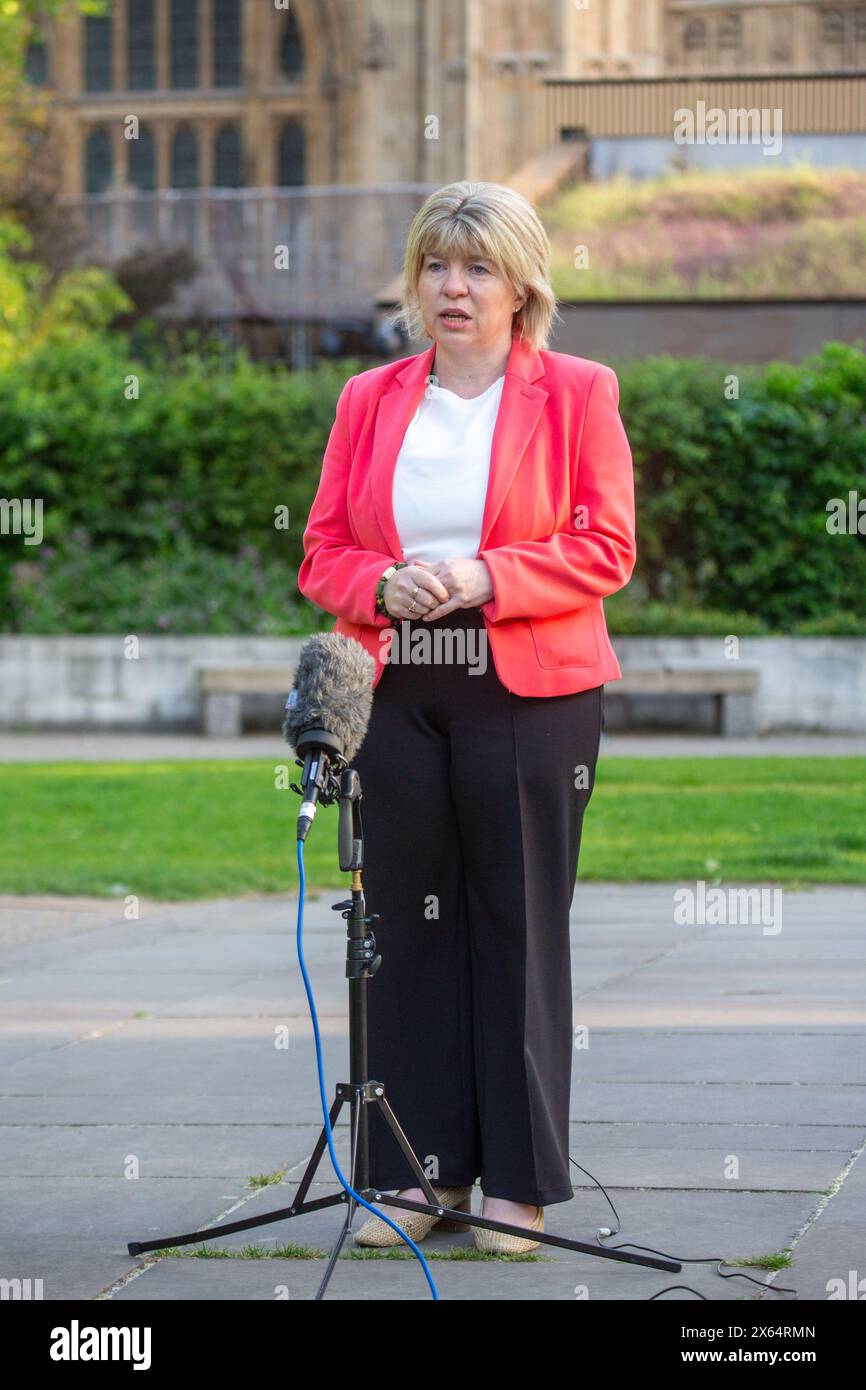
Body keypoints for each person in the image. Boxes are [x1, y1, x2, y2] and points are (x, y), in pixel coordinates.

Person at [297, 180, 636, 1254]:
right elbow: (321, 554)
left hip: (529, 691)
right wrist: (381, 584)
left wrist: (487, 573)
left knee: (515, 927)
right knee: (402, 934)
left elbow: (604, 547)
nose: (453, 286)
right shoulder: (369, 399)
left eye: (477, 265)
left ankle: (517, 1186)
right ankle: (415, 1172)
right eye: (436, 265)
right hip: (399, 692)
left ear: (521, 282)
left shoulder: (577, 392)